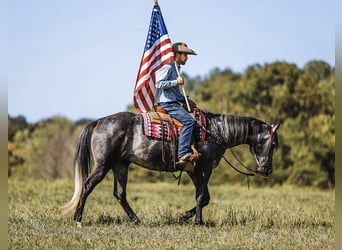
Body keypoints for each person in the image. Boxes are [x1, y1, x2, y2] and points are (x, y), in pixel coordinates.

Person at [155, 42, 197, 164]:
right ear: (177, 54)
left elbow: (175, 93)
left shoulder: (177, 68)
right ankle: (183, 153)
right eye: (185, 55)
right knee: (190, 121)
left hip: (173, 102)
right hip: (167, 103)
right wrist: (175, 82)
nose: (187, 58)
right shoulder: (168, 67)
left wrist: (186, 100)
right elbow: (158, 84)